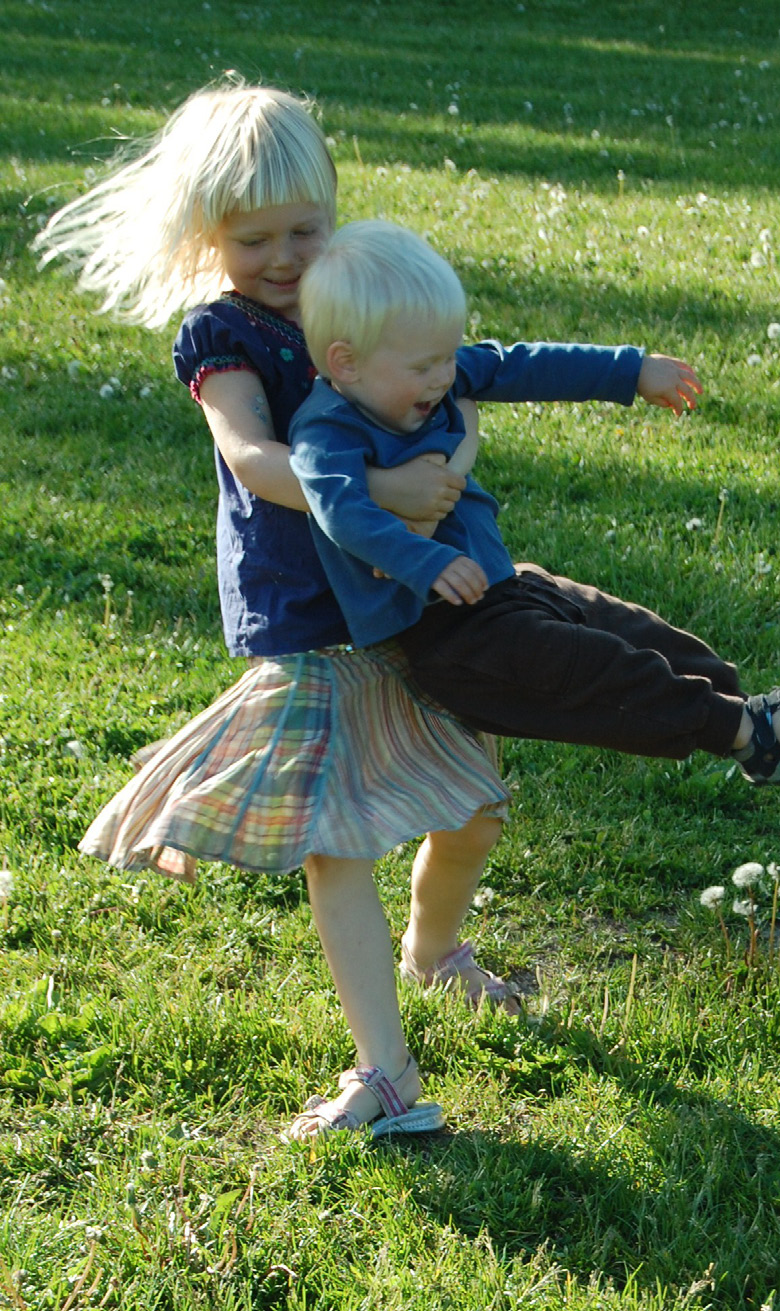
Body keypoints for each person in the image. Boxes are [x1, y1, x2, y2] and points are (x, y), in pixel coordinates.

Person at [33, 81, 524, 1142]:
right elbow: (252, 457)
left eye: (306, 228)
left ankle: (434, 949)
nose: (287, 258)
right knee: (336, 839)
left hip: (404, 597)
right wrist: (377, 495)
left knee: (476, 802)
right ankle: (386, 1076)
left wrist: (448, 462)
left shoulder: (355, 299)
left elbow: (452, 393)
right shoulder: (222, 334)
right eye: (255, 238)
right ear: (210, 236)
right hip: (306, 615)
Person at [289, 220, 780, 784]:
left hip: (503, 586)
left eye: (448, 356)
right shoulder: (326, 434)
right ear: (346, 362)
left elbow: (526, 364)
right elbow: (341, 512)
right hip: (444, 636)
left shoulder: (432, 371)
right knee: (596, 669)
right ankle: (743, 729)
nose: (446, 377)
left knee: (634, 630)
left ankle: (763, 717)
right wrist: (428, 562)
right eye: (425, 366)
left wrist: (631, 371)